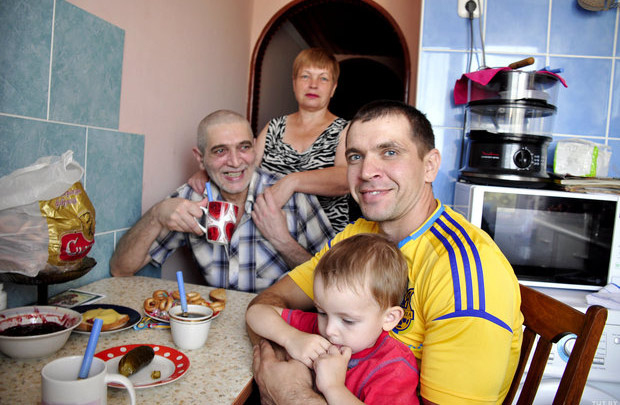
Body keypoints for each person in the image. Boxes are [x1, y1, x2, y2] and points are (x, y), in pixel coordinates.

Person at [248, 100, 523, 404]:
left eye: (390, 152)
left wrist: (293, 393)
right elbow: (269, 302)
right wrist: (287, 361)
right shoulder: (357, 236)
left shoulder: (467, 272)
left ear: (429, 165)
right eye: (355, 156)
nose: (366, 172)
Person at [110, 110, 334, 292]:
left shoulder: (293, 197)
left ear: (255, 149)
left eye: (244, 147)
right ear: (200, 158)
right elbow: (121, 269)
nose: (235, 162)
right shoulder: (192, 199)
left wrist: (283, 241)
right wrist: (156, 215)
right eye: (220, 151)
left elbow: (335, 280)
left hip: (283, 322)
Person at [189, 48, 350, 232]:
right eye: (305, 76)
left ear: (333, 88)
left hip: (324, 236)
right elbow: (243, 167)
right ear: (294, 83)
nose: (313, 85)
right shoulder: (273, 127)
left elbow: (346, 178)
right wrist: (207, 171)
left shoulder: (345, 130)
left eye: (323, 78)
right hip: (265, 232)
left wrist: (292, 182)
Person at [246, 233, 419, 404]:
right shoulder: (315, 328)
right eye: (321, 312)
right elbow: (256, 312)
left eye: (348, 321)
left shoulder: (394, 367)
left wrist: (333, 387)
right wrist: (291, 338)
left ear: (389, 318)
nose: (329, 330)